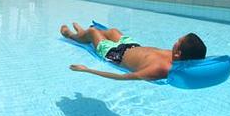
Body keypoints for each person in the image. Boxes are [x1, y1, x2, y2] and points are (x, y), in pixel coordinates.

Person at [60, 22, 207, 81]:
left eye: (178, 42)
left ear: (178, 54)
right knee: (113, 31)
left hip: (115, 53)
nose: (175, 42)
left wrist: (87, 70)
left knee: (93, 32)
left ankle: (72, 35)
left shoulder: (159, 69)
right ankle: (83, 35)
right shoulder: (177, 56)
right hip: (132, 45)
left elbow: (123, 78)